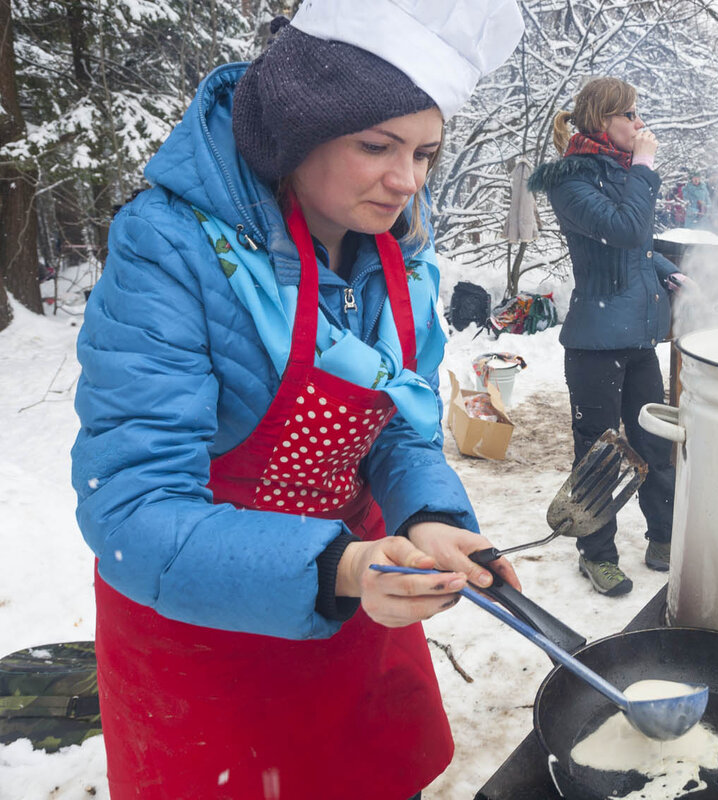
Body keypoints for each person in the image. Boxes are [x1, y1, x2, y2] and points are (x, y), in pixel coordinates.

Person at [70, 2, 524, 798]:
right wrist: (339, 568)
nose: (406, 180)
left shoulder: (400, 259)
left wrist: (435, 520)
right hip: (202, 625)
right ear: (296, 127)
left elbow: (398, 427)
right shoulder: (172, 247)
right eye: (376, 145)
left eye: (424, 151)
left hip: (360, 608)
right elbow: (131, 507)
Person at [527, 77, 682, 596]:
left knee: (655, 444)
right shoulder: (570, 181)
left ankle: (663, 537)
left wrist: (666, 269)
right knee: (598, 453)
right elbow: (624, 229)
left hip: (638, 339)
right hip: (595, 343)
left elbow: (634, 247)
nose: (639, 124)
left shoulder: (618, 173)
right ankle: (597, 555)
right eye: (630, 115)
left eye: (638, 114)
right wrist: (643, 168)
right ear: (602, 121)